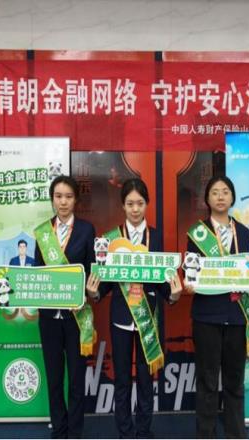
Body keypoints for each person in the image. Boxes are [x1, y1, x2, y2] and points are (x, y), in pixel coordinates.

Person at [87, 178, 182, 439]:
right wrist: (95, 292)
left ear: (147, 204)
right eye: (130, 204)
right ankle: (125, 432)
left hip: (147, 317)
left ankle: (143, 431)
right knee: (121, 379)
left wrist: (173, 295)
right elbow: (106, 281)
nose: (135, 209)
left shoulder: (156, 236)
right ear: (123, 206)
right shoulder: (111, 239)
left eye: (140, 203)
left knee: (145, 377)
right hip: (120, 318)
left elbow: (161, 278)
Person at [185, 175, 249, 439]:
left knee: (235, 382)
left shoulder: (244, 233)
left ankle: (236, 434)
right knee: (207, 382)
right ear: (207, 199)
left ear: (232, 197)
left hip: (236, 317)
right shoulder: (197, 233)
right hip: (206, 317)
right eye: (215, 192)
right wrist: (189, 282)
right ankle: (206, 435)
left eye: (225, 192)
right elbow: (190, 270)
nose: (220, 196)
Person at [33, 175, 96, 439]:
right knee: (55, 378)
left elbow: (92, 268)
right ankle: (59, 431)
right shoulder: (42, 232)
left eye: (68, 197)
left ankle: (75, 431)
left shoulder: (86, 230)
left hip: (76, 317)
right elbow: (36, 273)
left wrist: (92, 289)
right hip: (49, 318)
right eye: (58, 196)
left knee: (77, 380)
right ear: (52, 199)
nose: (63, 202)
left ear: (76, 200)